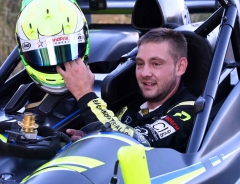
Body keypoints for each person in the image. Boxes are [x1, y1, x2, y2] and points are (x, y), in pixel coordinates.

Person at [57, 28, 197, 152]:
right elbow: (113, 136)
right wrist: (91, 139)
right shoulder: (134, 103)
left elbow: (133, 142)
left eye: (156, 64)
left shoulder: (190, 111)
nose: (144, 73)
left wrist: (84, 93)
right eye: (140, 64)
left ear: (180, 67)